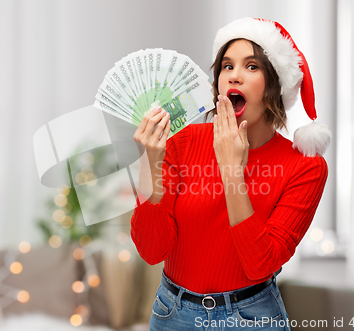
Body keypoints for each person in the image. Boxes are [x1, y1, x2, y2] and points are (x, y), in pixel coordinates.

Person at [131, 17, 330, 331]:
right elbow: (151, 251)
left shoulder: (305, 167)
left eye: (252, 66)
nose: (234, 76)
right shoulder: (182, 144)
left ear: (275, 84)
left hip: (251, 318)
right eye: (227, 66)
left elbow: (260, 263)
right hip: (172, 314)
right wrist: (149, 165)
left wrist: (232, 173)